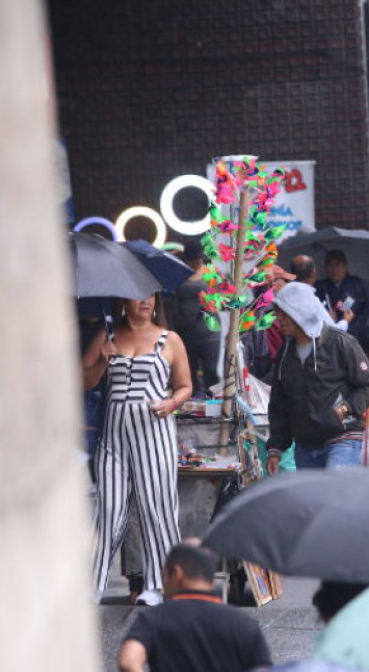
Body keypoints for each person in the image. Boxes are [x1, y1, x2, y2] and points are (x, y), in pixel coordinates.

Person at [84, 294, 193, 605]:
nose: (145, 301)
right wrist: (103, 360)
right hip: (114, 434)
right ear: (123, 301)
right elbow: (84, 382)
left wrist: (171, 402)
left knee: (156, 507)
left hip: (154, 429)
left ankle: (160, 585)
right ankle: (93, 584)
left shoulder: (169, 339)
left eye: (150, 295)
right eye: (137, 295)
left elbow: (185, 385)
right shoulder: (108, 336)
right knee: (108, 507)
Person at [264, 282, 369, 472]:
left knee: (335, 498)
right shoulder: (285, 353)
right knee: (313, 501)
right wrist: (275, 448)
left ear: (299, 312)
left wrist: (346, 408)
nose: (279, 318)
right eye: (277, 312)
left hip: (343, 439)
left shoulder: (341, 342)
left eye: (283, 312)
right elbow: (279, 403)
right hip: (305, 446)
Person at [117, 541, 271, 672]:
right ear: (210, 577)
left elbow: (128, 661)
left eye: (164, 577)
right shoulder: (244, 624)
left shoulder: (152, 619)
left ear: (176, 573)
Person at [163, 242, 220, 398]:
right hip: (185, 329)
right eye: (193, 261)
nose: (196, 263)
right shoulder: (178, 272)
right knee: (189, 369)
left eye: (198, 260)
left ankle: (213, 398)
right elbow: (167, 297)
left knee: (211, 369)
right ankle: (192, 399)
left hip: (207, 329)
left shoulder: (210, 272)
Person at [315, 249, 369, 352]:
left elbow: (368, 312)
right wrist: (325, 316)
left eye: (338, 265)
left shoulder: (358, 286)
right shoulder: (320, 287)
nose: (334, 269)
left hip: (356, 339)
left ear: (346, 266)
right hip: (330, 342)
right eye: (330, 265)